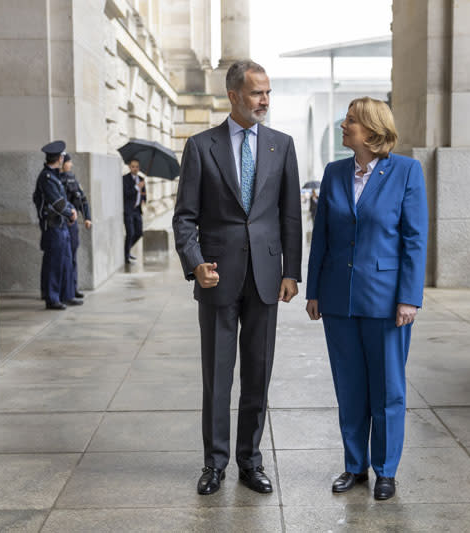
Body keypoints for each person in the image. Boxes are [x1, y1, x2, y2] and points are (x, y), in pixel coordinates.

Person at [172, 60, 302, 496]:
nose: (264, 100)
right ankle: (214, 464)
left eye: (267, 92)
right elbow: (184, 217)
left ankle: (250, 460)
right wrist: (195, 263)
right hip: (216, 278)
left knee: (258, 374)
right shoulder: (200, 146)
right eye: (256, 93)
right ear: (233, 96)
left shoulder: (281, 146)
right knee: (217, 376)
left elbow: (289, 217)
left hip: (266, 277)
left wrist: (291, 272)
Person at [305, 97, 428, 501]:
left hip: (387, 301)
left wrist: (409, 298)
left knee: (388, 388)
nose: (343, 125)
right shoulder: (335, 171)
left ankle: (386, 470)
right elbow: (321, 237)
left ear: (372, 132)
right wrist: (314, 291)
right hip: (339, 300)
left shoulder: (407, 171)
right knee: (350, 387)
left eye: (351, 121)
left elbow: (414, 240)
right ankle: (354, 466)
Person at [33, 140, 82, 309]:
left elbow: (64, 200)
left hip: (61, 224)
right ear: (58, 158)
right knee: (54, 262)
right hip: (53, 226)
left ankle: (66, 294)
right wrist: (70, 212)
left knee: (66, 260)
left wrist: (70, 211)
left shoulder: (54, 176)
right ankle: (52, 298)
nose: (63, 159)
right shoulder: (47, 177)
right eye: (62, 156)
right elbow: (56, 202)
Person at [59, 152, 92, 298]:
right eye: (68, 162)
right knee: (63, 258)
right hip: (62, 223)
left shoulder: (72, 179)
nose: (71, 164)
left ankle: (73, 287)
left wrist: (87, 217)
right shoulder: (56, 180)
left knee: (72, 257)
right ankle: (63, 290)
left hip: (72, 224)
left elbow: (82, 199)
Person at [122, 159, 146, 264]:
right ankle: (126, 255)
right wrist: (137, 187)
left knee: (139, 232)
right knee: (130, 232)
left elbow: (143, 192)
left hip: (137, 210)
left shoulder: (141, 179)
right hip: (128, 210)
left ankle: (126, 250)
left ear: (139, 168)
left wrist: (144, 200)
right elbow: (126, 193)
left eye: (136, 166)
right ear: (129, 167)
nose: (135, 168)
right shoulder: (125, 179)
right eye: (133, 166)